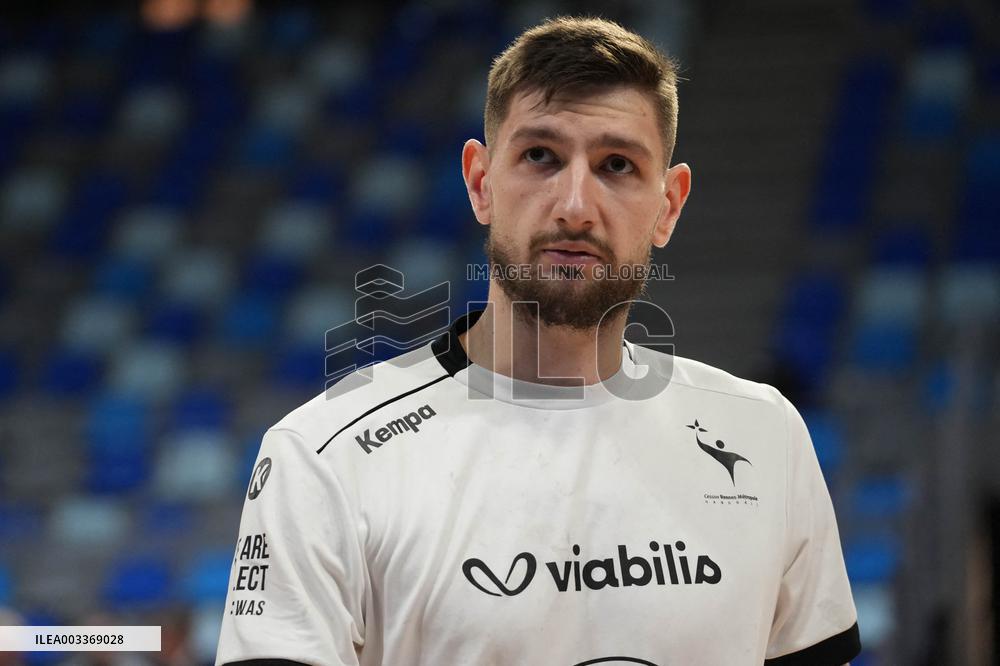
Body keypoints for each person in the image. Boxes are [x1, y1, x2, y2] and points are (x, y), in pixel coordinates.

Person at [215, 16, 861, 666]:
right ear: (480, 182)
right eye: (540, 157)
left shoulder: (765, 436)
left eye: (616, 165)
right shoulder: (323, 459)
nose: (575, 205)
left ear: (668, 205)